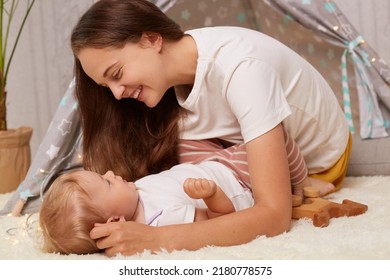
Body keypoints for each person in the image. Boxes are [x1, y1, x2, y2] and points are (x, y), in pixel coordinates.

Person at [70, 0, 351, 256]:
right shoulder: (169, 85)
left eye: (117, 74)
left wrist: (155, 238)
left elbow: (274, 217)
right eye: (107, 87)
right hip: (234, 154)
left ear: (152, 39)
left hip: (317, 162)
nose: (117, 94)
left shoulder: (242, 70)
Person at [39, 162, 254, 254]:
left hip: (212, 162)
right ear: (114, 221)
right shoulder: (162, 219)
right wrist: (212, 194)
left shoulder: (133, 196)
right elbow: (221, 220)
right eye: (107, 183)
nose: (110, 173)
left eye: (103, 175)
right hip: (239, 181)